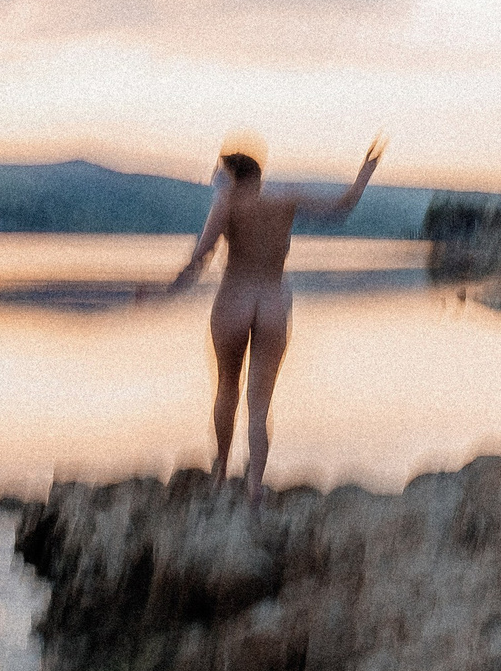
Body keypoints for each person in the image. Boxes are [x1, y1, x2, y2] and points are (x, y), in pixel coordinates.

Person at [165, 138, 385, 499]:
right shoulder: (286, 198)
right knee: (260, 406)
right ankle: (254, 488)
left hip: (234, 299)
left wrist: (166, 290)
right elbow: (341, 207)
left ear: (232, 176)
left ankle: (221, 475)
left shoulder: (227, 202)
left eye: (221, 174)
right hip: (272, 303)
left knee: (226, 390)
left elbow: (201, 256)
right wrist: (365, 173)